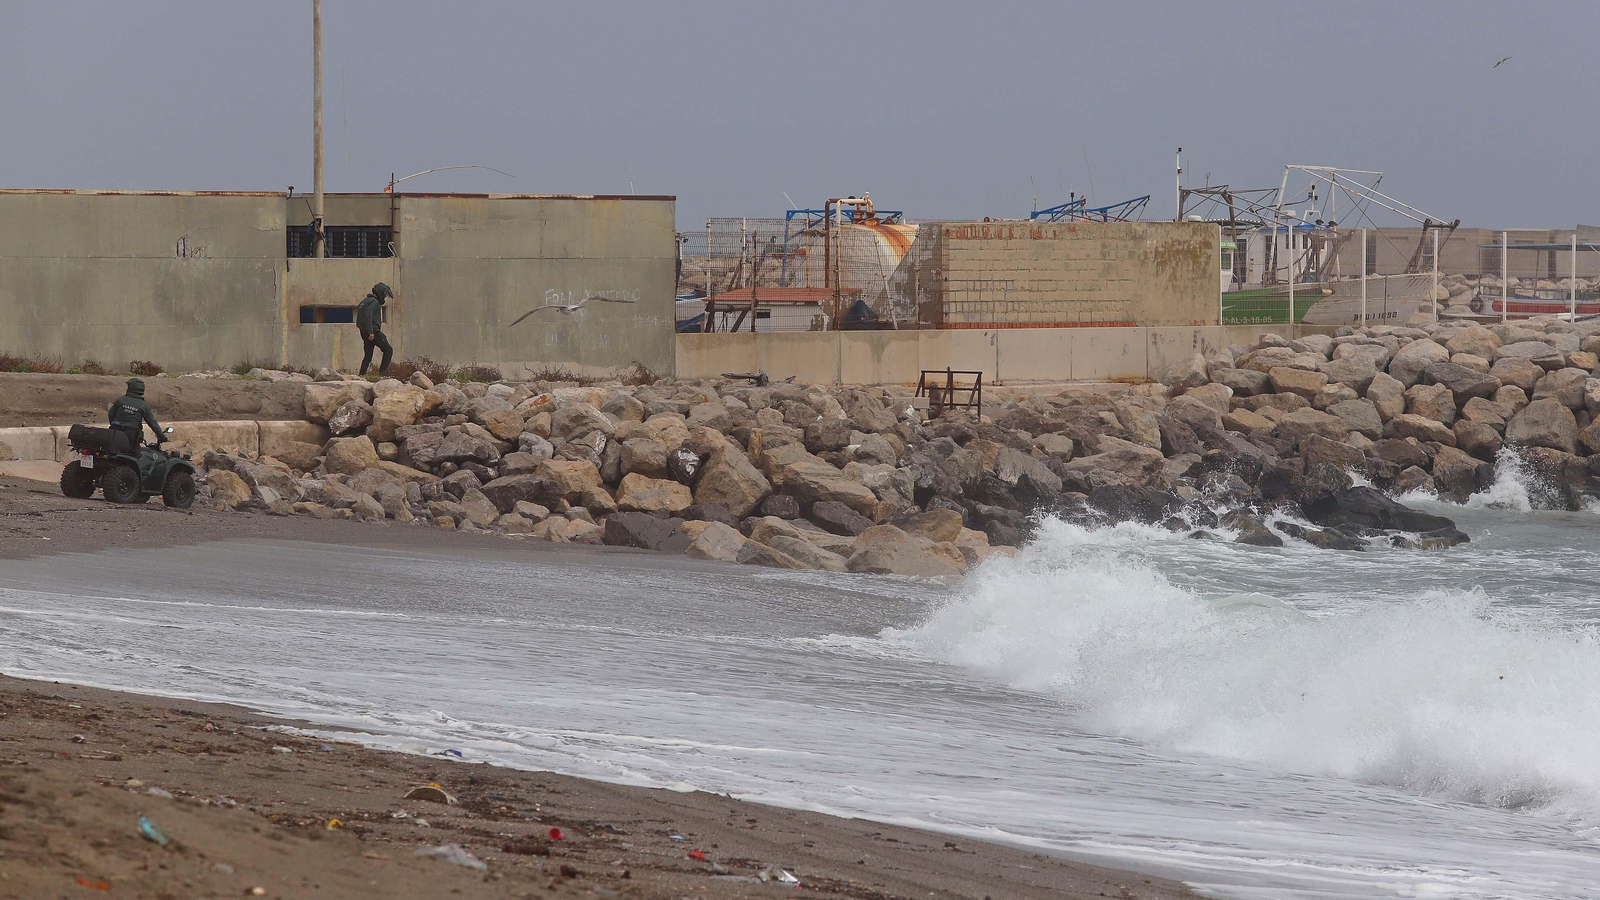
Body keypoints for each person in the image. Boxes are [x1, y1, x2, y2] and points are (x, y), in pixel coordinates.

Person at [108, 377, 163, 455]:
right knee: (135, 457)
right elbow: (152, 423)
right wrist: (162, 436)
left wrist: (114, 425)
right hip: (132, 436)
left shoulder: (120, 400)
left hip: (115, 432)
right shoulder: (144, 406)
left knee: (112, 452)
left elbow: (111, 415)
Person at [357, 282, 394, 376]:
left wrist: (365, 331)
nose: (384, 297)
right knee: (388, 350)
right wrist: (371, 332)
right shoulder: (374, 302)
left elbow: (359, 320)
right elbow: (368, 315)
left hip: (364, 332)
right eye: (384, 295)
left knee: (368, 356)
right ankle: (382, 374)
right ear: (380, 292)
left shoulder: (364, 301)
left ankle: (361, 375)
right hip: (373, 332)